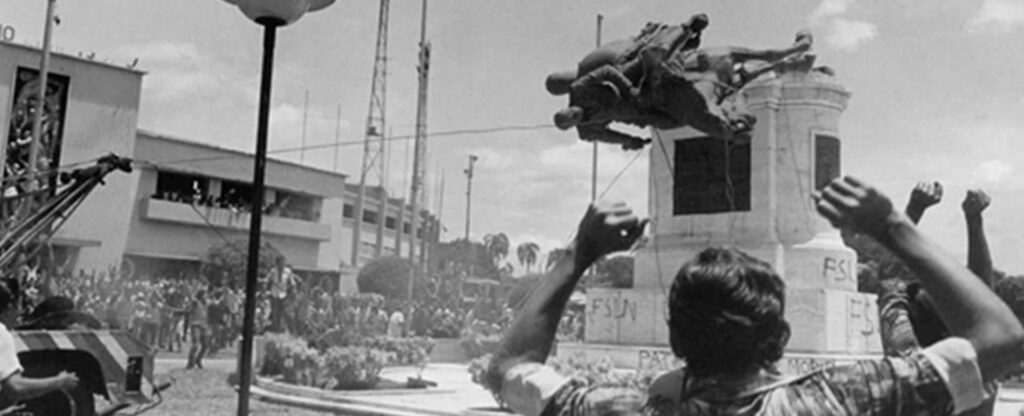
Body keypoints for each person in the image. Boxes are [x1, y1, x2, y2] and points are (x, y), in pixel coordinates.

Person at [487, 176, 1024, 415]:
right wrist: (893, 226)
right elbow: (1001, 337)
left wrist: (579, 254)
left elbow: (508, 367)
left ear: (676, 338)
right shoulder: (841, 399)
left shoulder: (619, 410)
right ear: (779, 336)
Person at [0, 280, 79, 408]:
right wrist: (59, 381)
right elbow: (15, 387)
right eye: (18, 306)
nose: (20, 312)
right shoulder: (2, 334)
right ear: (9, 308)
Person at [186, 290, 210, 370]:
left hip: (204, 326)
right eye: (204, 295)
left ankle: (198, 360)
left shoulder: (206, 304)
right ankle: (190, 363)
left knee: (206, 345)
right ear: (201, 295)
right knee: (195, 345)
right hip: (196, 325)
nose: (206, 296)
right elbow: (191, 298)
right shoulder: (196, 302)